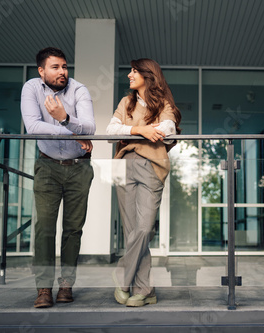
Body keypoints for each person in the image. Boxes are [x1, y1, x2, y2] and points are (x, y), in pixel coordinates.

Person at [21, 47, 95, 308]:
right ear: (41, 71)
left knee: (73, 229)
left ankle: (66, 285)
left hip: (79, 168)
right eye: (55, 67)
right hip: (47, 167)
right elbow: (32, 127)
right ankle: (43, 289)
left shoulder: (78, 90)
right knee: (44, 229)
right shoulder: (31, 88)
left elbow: (91, 127)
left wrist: (63, 119)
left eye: (64, 66)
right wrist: (73, 130)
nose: (63, 71)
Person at [107, 58, 181, 307]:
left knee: (144, 228)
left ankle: (123, 279)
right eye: (130, 71)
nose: (129, 75)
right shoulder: (126, 102)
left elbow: (167, 129)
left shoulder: (164, 103)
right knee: (131, 231)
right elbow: (110, 131)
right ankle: (144, 290)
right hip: (124, 165)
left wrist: (131, 129)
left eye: (135, 71)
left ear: (148, 75)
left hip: (152, 167)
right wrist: (142, 131)